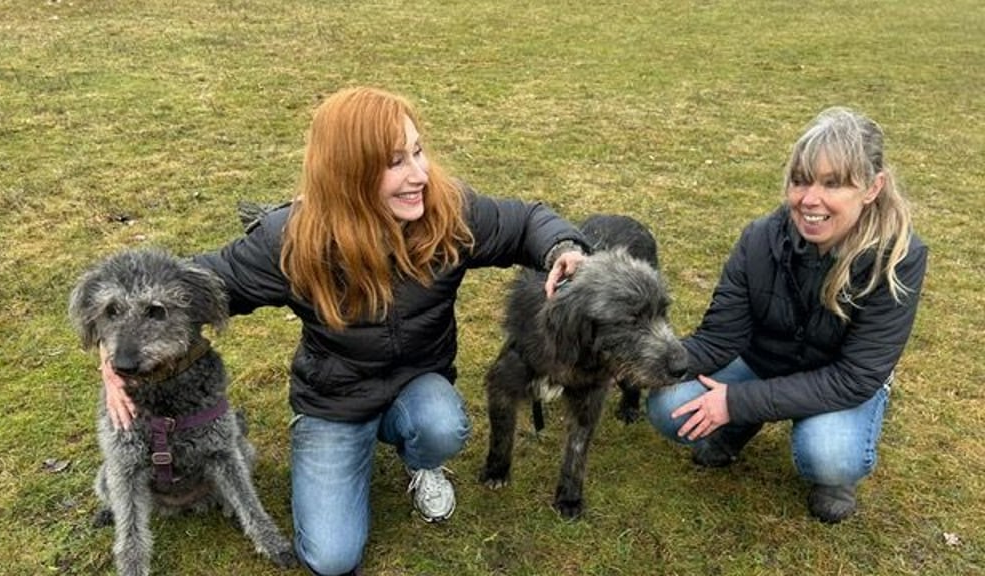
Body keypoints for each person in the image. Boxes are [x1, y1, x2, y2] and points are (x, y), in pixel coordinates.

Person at [100, 86, 589, 575]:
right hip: (334, 400)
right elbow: (180, 286)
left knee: (443, 426)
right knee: (332, 559)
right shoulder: (289, 241)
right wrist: (115, 351)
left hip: (418, 382)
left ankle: (422, 462)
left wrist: (562, 248)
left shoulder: (446, 212)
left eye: (417, 151)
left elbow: (526, 222)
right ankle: (339, 449)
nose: (419, 174)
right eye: (395, 162)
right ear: (347, 173)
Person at [646, 107, 928, 523]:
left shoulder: (899, 258)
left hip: (840, 382)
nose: (809, 199)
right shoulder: (759, 239)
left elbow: (855, 376)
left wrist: (737, 401)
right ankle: (740, 425)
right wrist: (647, 363)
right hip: (764, 364)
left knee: (828, 454)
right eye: (800, 181)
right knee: (669, 403)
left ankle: (833, 476)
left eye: (833, 183)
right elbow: (719, 338)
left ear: (872, 187)